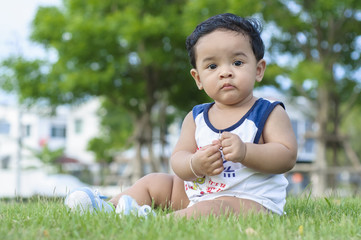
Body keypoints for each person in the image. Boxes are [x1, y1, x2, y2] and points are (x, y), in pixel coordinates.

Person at [65, 13, 298, 219]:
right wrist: (195, 163)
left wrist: (247, 151)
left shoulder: (267, 112)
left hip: (249, 201)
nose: (225, 72)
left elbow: (286, 156)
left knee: (212, 209)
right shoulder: (196, 117)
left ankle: (155, 222)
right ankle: (109, 208)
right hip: (200, 192)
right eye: (212, 67)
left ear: (258, 69)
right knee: (154, 182)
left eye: (237, 62)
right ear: (198, 78)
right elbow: (178, 161)